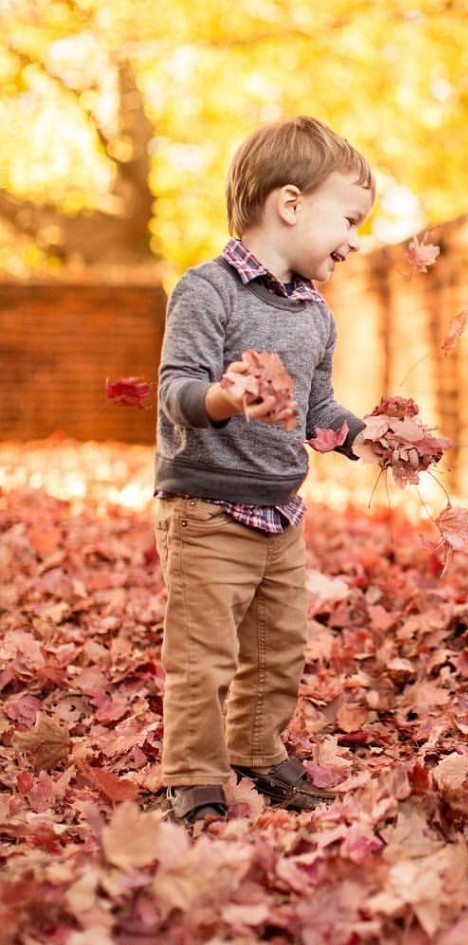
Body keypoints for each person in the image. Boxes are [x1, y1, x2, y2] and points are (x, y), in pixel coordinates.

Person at [154, 116, 374, 826]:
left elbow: (319, 413)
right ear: (290, 205)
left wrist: (372, 438)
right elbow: (176, 390)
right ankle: (192, 776)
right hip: (208, 510)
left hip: (281, 513)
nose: (355, 238)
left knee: (278, 648)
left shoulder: (317, 313)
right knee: (204, 653)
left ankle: (255, 749)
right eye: (348, 218)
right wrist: (224, 397)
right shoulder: (206, 291)